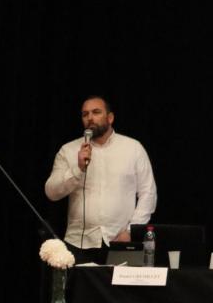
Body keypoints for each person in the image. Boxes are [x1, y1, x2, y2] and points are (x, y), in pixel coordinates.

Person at [45, 95, 157, 264]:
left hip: (121, 241)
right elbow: (51, 192)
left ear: (110, 118)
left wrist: (130, 231)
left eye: (96, 112)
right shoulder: (68, 150)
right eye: (85, 114)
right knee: (78, 291)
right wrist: (78, 168)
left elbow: (148, 193)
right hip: (78, 243)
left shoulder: (133, 148)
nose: (90, 118)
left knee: (119, 291)